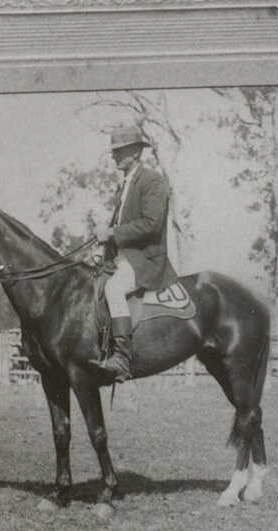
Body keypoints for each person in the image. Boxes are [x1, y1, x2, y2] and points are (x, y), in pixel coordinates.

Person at [92, 125, 178, 382]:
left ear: (137, 152)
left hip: (147, 260)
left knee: (114, 289)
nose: (114, 156)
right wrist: (103, 250)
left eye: (121, 151)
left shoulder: (152, 180)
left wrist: (111, 234)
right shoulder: (125, 185)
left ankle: (122, 358)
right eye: (114, 152)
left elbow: (151, 224)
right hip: (124, 258)